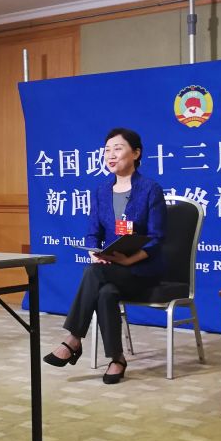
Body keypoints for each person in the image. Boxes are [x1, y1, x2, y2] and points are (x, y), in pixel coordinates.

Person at [43, 128, 167, 384]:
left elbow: (157, 238)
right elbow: (92, 234)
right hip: (110, 270)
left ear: (136, 153)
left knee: (94, 273)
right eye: (107, 150)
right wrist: (94, 252)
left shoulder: (150, 189)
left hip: (141, 271)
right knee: (105, 292)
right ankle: (117, 359)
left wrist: (130, 259)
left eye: (118, 149)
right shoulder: (101, 191)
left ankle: (73, 339)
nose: (111, 155)